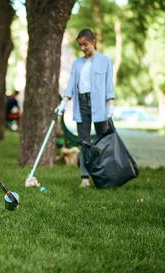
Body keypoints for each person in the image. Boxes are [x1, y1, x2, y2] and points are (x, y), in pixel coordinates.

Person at [57, 29, 115, 188]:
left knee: (103, 142)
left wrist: (110, 104)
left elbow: (109, 84)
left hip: (99, 106)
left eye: (86, 44)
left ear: (94, 42)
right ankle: (84, 178)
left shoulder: (105, 61)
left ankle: (104, 176)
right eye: (80, 45)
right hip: (81, 105)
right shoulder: (77, 63)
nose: (83, 48)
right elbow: (71, 85)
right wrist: (64, 101)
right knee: (84, 143)